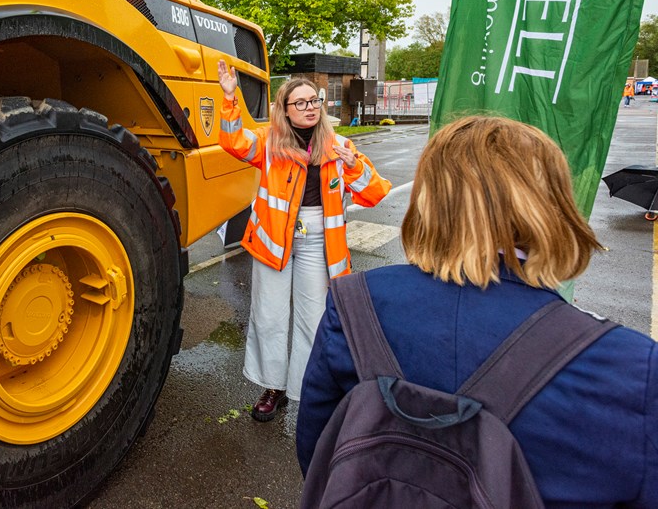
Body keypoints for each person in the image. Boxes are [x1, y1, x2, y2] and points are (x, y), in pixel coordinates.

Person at [297, 116, 658, 506]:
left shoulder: (354, 300)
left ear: (429, 200)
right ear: (551, 203)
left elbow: (317, 448)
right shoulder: (633, 367)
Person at [216, 63, 390, 421]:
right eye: (301, 102)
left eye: (315, 100)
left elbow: (375, 192)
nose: (311, 107)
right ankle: (273, 387)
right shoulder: (269, 142)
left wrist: (353, 165)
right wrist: (230, 96)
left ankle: (306, 391)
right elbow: (233, 141)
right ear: (285, 110)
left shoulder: (341, 146)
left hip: (317, 244)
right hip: (273, 240)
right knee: (269, 316)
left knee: (313, 320)